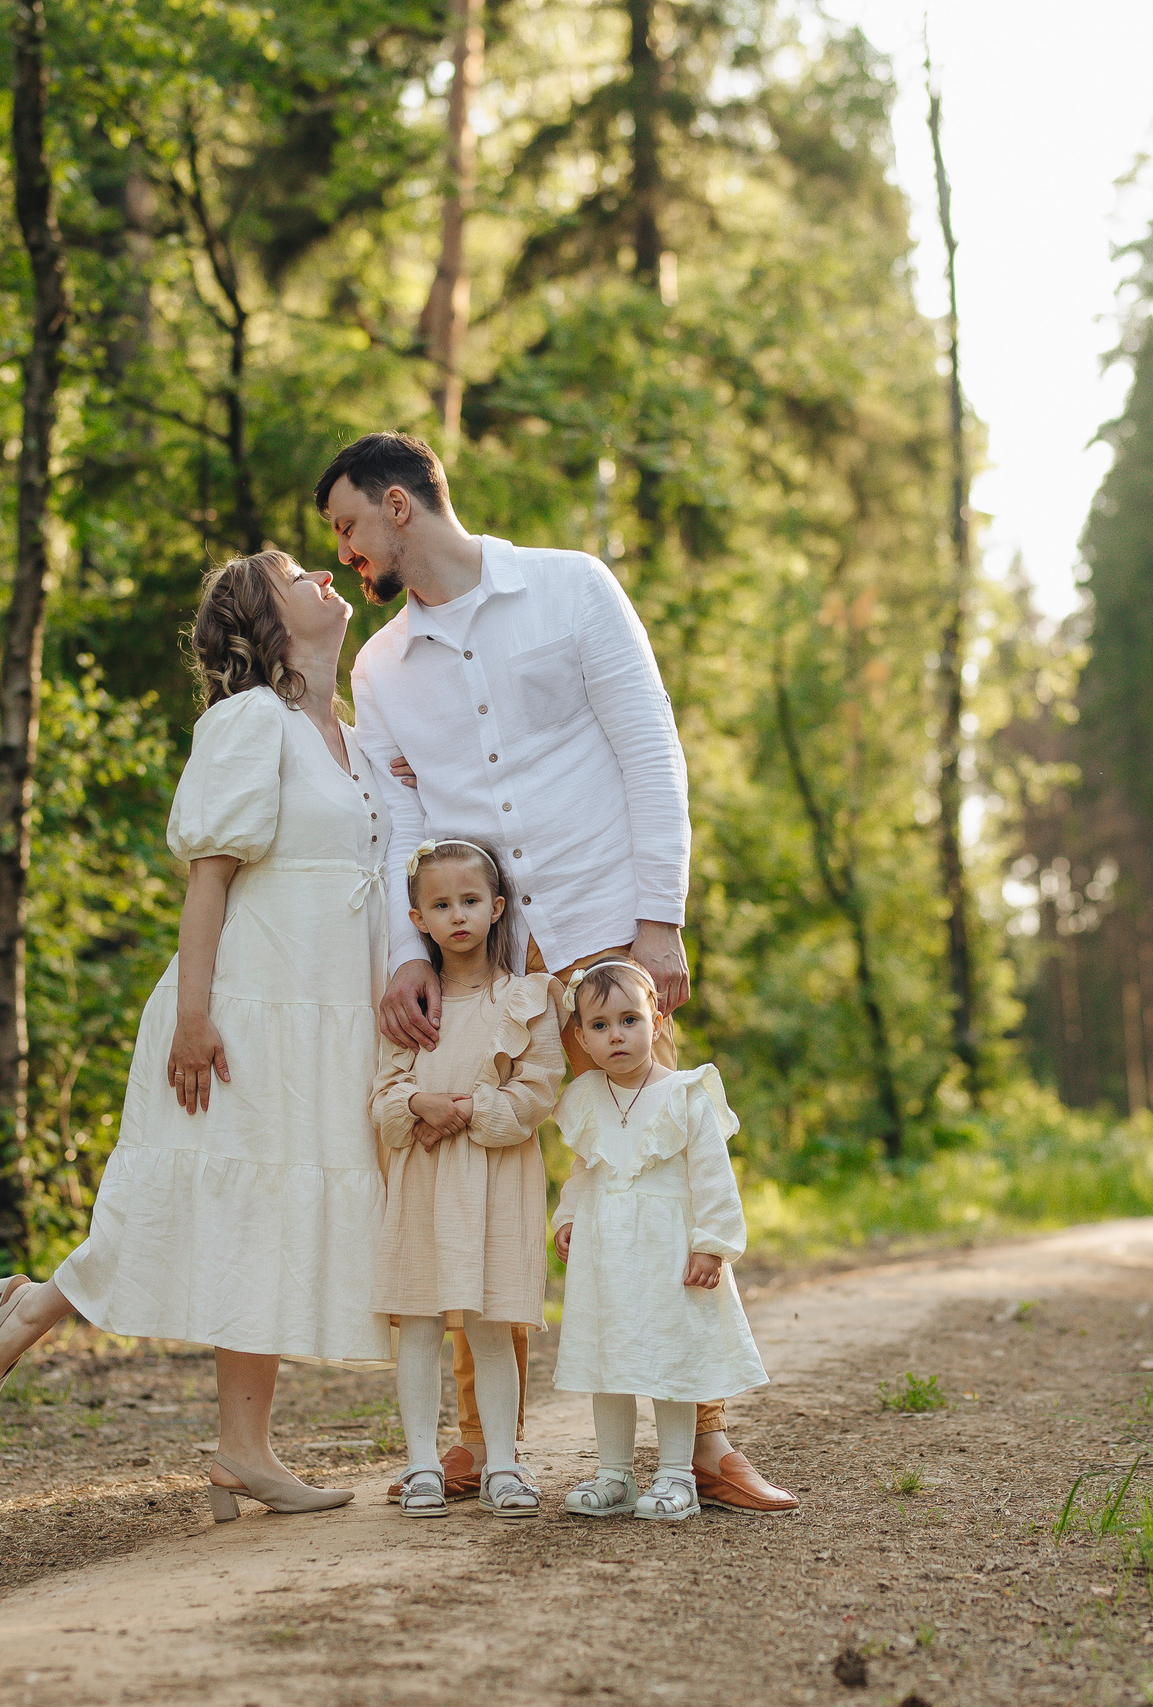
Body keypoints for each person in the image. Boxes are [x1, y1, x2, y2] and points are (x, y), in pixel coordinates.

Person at [326, 431, 799, 1516]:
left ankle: (706, 1441)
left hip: (602, 945)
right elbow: (397, 817)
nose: (346, 551)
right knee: (475, 1186)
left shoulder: (574, 588)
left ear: (398, 506)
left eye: (348, 524)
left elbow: (648, 747)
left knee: (654, 1175)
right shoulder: (382, 667)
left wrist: (659, 919)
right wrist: (409, 953)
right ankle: (481, 1443)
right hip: (477, 959)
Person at [0, 549, 393, 1523]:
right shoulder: (249, 723)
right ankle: (34, 1308)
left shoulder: (355, 741)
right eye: (295, 571)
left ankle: (244, 1453)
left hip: (325, 1021)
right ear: (264, 621)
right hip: (242, 1008)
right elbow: (210, 878)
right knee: (202, 1195)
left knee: (266, 1218)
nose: (326, 571)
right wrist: (195, 1019)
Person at [371, 837, 564, 1519]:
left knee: (490, 1320)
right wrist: (418, 1106)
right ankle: (422, 1458)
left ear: (498, 907)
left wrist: (466, 1109)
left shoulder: (527, 1000)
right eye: (441, 904)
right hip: (423, 1184)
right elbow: (384, 1097)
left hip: (494, 1182)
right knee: (420, 1321)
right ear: (418, 917)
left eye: (471, 901)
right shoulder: (410, 1006)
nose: (458, 915)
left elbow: (537, 1092)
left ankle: (502, 1462)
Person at [548, 959, 768, 1522]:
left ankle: (676, 1474)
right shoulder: (585, 1096)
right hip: (607, 1250)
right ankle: (615, 1472)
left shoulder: (686, 1093)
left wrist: (710, 1243)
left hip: (669, 1250)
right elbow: (583, 1170)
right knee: (609, 1355)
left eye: (629, 1019)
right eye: (599, 1026)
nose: (616, 1034)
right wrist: (567, 1218)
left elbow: (713, 1175)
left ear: (659, 1021)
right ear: (581, 1038)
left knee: (674, 1353)